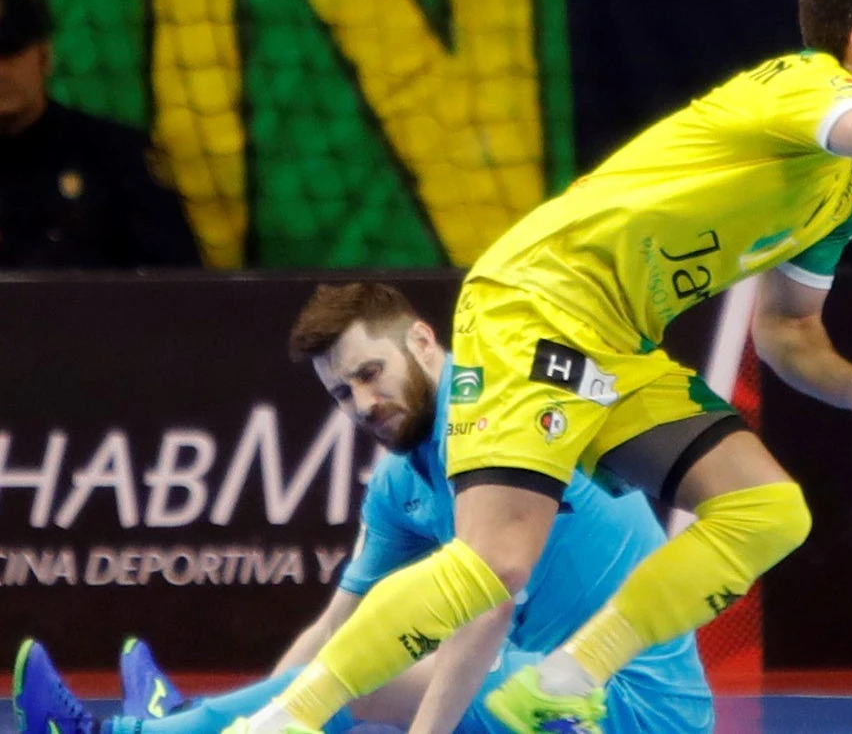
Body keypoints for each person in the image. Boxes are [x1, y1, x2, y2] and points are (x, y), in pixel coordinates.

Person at [225, 0, 852, 734]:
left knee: (768, 511)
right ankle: (289, 718)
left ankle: (564, 677)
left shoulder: (844, 188)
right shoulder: (799, 88)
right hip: (538, 299)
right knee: (496, 562)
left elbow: (789, 330)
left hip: (614, 341)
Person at [13, 281, 714, 734]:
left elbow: (490, 600)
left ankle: (125, 733)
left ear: (421, 339)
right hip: (544, 694)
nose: (362, 403)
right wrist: (270, 715)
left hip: (630, 708)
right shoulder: (398, 481)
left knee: (367, 677)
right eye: (341, 393)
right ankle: (181, 723)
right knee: (351, 665)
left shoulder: (497, 417)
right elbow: (335, 629)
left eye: (369, 373)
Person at [0, 0, 200, 267]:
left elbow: (175, 276)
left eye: (11, 52)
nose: (1, 72)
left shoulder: (113, 155)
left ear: (44, 58)